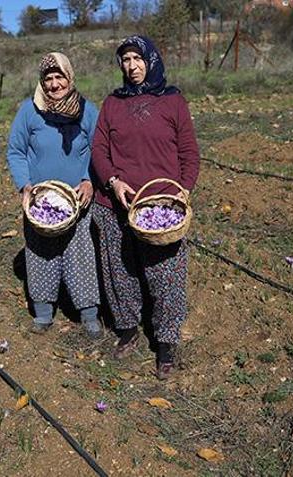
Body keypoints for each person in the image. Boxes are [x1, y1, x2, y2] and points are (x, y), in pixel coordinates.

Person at [91, 35, 200, 380]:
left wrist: (182, 191)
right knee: (119, 271)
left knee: (164, 273)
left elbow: (189, 154)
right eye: (125, 60)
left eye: (138, 58)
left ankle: (165, 341)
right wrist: (113, 182)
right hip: (116, 202)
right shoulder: (113, 103)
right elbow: (99, 150)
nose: (132, 66)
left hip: (160, 203)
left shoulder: (173, 101)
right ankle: (127, 329)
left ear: (151, 60)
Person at [6, 52, 102, 338]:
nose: (53, 84)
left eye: (59, 77)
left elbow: (99, 150)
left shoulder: (86, 110)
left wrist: (88, 180)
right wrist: (25, 185)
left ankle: (88, 314)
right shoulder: (30, 111)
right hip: (41, 201)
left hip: (78, 199)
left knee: (81, 254)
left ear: (69, 77)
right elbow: (16, 151)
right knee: (40, 254)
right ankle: (44, 313)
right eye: (48, 78)